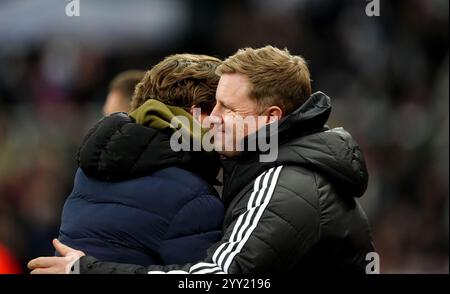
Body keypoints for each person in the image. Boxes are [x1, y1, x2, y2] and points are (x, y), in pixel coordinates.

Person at [28, 46, 374, 274]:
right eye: (212, 105)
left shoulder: (284, 183)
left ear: (269, 118)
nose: (210, 119)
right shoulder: (264, 169)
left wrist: (85, 269)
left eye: (226, 108)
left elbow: (216, 277)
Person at [49, 54, 225, 267]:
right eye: (224, 107)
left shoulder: (88, 173)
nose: (228, 119)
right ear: (196, 114)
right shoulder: (193, 199)